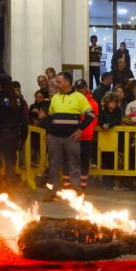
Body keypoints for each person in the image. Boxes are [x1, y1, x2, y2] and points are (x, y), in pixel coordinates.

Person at [45, 72, 95, 201]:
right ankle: (52, 192)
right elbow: (50, 117)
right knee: (54, 165)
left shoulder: (79, 97)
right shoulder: (55, 98)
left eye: (59, 82)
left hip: (70, 138)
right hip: (55, 138)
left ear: (67, 83)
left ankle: (77, 191)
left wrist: (79, 130)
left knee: (74, 164)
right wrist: (49, 133)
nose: (56, 84)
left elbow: (91, 115)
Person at [0, 74, 29, 187]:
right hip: (12, 136)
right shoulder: (18, 100)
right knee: (10, 165)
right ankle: (11, 190)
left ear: (0, 85)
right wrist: (23, 138)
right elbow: (24, 122)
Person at [73, 79, 99, 190]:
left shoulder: (92, 103)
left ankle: (82, 184)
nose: (80, 90)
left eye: (81, 88)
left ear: (86, 88)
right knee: (73, 160)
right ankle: (74, 183)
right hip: (73, 135)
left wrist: (88, 130)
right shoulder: (72, 101)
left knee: (84, 160)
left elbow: (94, 120)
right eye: (77, 88)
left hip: (86, 136)